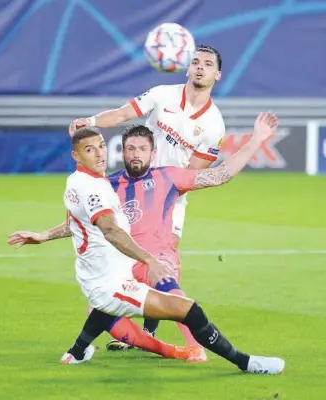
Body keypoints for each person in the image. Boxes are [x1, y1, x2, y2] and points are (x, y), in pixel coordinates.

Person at [10, 115, 285, 374]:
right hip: (121, 272)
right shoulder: (104, 184)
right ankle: (235, 361)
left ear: (152, 154)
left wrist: (256, 139)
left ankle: (82, 350)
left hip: (132, 266)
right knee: (177, 311)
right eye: (130, 148)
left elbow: (220, 175)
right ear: (122, 151)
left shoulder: (148, 178)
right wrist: (147, 260)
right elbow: (107, 229)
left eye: (142, 148)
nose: (135, 154)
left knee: (132, 298)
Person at [68, 45, 226, 349]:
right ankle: (107, 329)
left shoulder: (214, 125)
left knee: (160, 261)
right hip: (132, 186)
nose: (200, 68)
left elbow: (194, 174)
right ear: (186, 68)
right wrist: (90, 121)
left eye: (207, 64)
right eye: (195, 62)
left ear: (217, 74)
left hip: (168, 198)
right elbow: (124, 114)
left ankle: (153, 332)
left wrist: (165, 189)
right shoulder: (162, 94)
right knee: (116, 256)